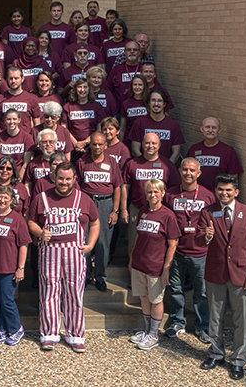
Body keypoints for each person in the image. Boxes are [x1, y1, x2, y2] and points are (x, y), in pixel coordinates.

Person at [26, 161, 100, 352]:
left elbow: (95, 221)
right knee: (49, 292)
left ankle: (75, 334)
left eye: (68, 179)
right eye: (60, 178)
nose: (64, 182)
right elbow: (31, 221)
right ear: (54, 177)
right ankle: (49, 334)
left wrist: (90, 244)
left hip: (75, 255)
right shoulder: (41, 198)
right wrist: (40, 233)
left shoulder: (84, 199)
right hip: (49, 253)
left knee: (74, 293)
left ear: (75, 179)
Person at [198, 174, 246, 380]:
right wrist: (206, 237)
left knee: (241, 320)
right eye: (220, 189)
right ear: (216, 190)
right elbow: (199, 240)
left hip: (242, 275)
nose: (224, 193)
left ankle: (238, 360)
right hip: (215, 273)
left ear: (236, 192)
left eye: (228, 190)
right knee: (215, 318)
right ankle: (216, 354)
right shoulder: (208, 212)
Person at [163, 157, 216, 341]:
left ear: (199, 173)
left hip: (201, 253)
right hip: (177, 251)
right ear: (179, 170)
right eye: (185, 169)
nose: (188, 173)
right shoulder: (170, 195)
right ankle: (178, 322)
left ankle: (203, 326)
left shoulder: (208, 196)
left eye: (192, 170)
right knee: (176, 289)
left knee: (201, 292)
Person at [127, 179, 180, 351]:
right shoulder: (143, 211)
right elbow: (138, 237)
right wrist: (131, 259)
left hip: (156, 266)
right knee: (143, 297)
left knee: (156, 300)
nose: (153, 195)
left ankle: (154, 334)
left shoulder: (168, 215)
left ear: (163, 193)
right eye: (150, 191)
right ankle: (147, 330)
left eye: (156, 191)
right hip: (139, 264)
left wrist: (166, 269)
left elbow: (173, 244)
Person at [0, 184, 31, 346]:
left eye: (5, 197)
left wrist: (21, 267)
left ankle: (16, 329)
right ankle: (1, 329)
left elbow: (24, 245)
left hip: (8, 268)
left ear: (12, 200)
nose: (2, 200)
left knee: (7, 300)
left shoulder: (17, 219)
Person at [75, 132, 122, 292]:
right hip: (87, 202)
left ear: (105, 145)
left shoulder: (112, 162)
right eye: (94, 144)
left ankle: (101, 276)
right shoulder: (82, 161)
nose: (96, 147)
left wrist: (115, 210)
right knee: (85, 240)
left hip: (106, 203)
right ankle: (86, 274)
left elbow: (117, 187)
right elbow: (77, 185)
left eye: (100, 144)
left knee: (103, 242)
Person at [186, 116, 244, 191]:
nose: (210, 130)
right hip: (197, 196)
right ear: (202, 129)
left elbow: (234, 178)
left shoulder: (228, 151)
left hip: (218, 197)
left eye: (214, 128)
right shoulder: (194, 149)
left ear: (219, 130)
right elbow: (186, 173)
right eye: (207, 127)